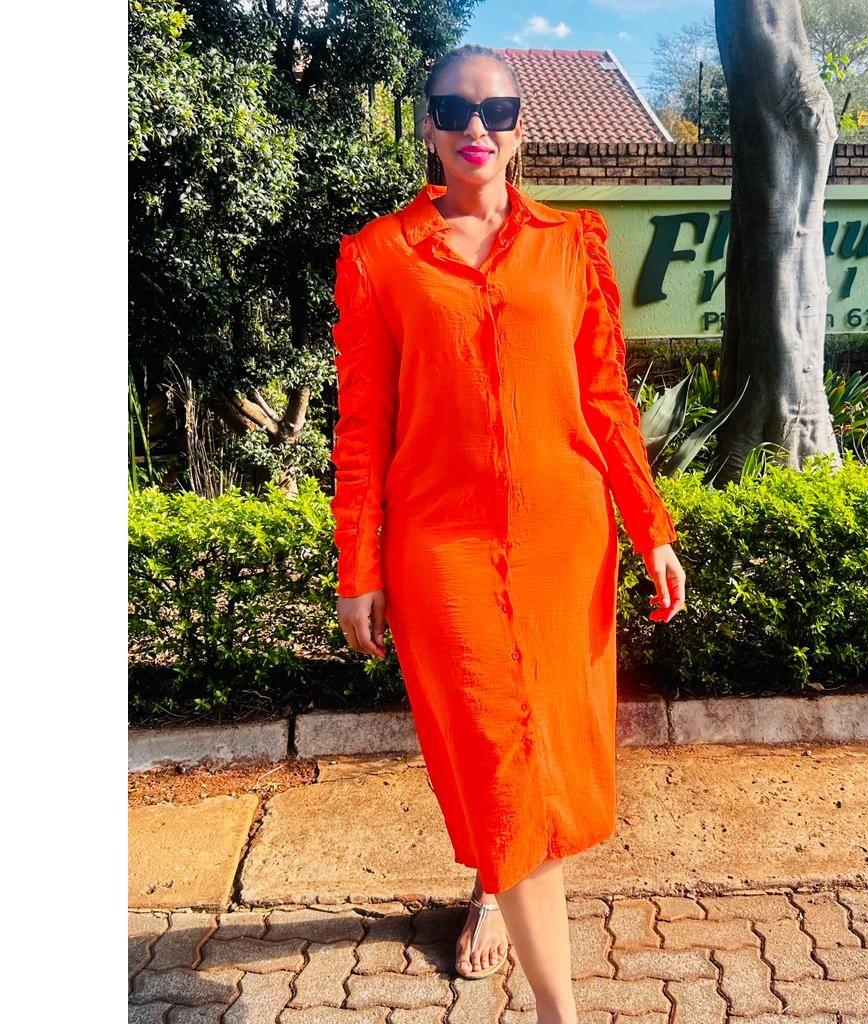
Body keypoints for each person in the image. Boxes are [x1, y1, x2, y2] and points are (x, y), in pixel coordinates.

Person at [331, 43, 686, 1024]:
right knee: (500, 759)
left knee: (542, 762)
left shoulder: (572, 244)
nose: (475, 128)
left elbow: (605, 399)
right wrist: (357, 565)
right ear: (428, 128)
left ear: (522, 126)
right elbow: (362, 427)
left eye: (495, 111)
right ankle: (556, 1009)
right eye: (453, 111)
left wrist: (649, 526)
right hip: (441, 549)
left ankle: (497, 884)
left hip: (563, 543)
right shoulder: (377, 256)